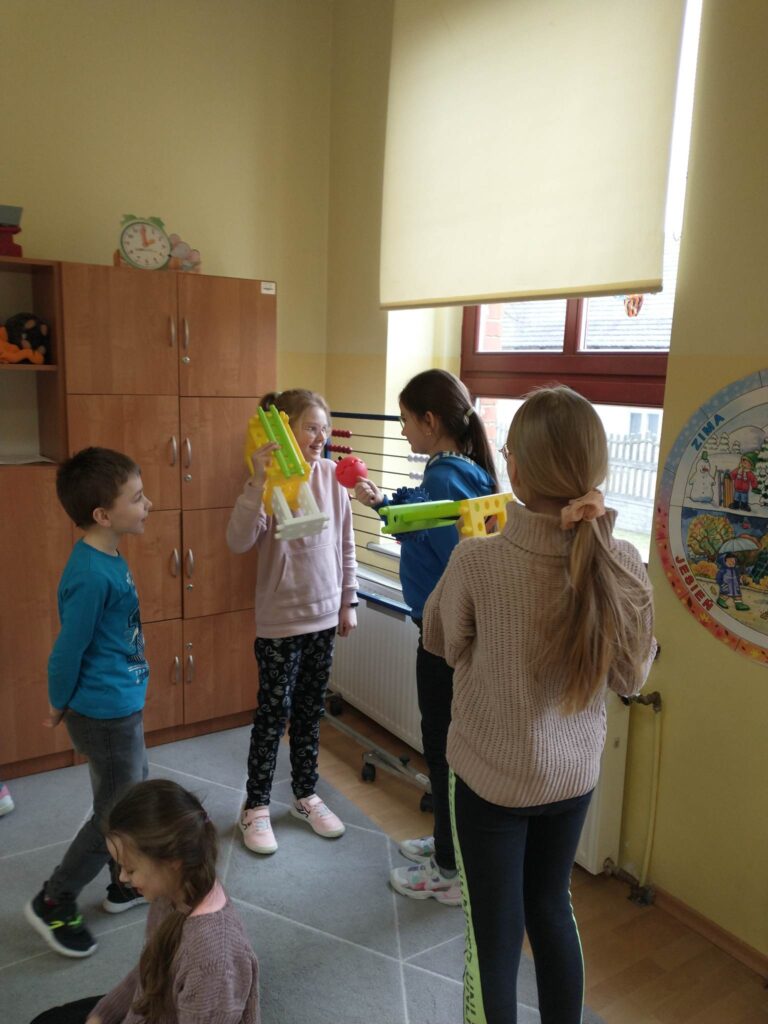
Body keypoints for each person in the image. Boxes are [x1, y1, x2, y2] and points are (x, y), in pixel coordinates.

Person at [423, 386, 656, 1024]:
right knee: (551, 909)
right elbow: (632, 676)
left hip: (491, 779)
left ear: (518, 471)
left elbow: (440, 640)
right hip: (572, 779)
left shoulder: (479, 559)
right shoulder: (621, 560)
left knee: (494, 936)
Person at [354, 369, 499, 905]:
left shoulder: (445, 479)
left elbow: (455, 557)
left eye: (406, 420)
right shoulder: (458, 470)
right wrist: (382, 503)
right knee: (444, 745)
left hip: (445, 636)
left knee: (443, 748)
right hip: (450, 633)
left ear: (430, 421)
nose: (402, 430)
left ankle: (449, 869)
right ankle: (447, 843)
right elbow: (425, 514)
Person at [25, 447, 153, 958]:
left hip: (121, 702)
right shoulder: (90, 574)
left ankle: (123, 883)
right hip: (104, 713)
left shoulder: (109, 556)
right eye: (137, 498)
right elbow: (67, 650)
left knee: (127, 797)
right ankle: (53, 900)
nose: (148, 504)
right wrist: (58, 702)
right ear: (103, 515)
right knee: (114, 817)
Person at [227, 389, 358, 854]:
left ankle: (305, 795)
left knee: (309, 713)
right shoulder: (267, 482)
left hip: (324, 618)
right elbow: (239, 541)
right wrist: (255, 484)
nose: (319, 437)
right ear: (285, 430)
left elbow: (345, 543)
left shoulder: (331, 478)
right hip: (281, 622)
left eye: (324, 428)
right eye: (310, 428)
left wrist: (348, 602)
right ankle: (256, 806)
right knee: (273, 715)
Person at [29, 779, 260, 1024]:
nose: (122, 878)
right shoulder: (172, 892)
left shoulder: (214, 961)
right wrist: (101, 1015)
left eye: (130, 869)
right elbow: (148, 973)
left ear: (172, 861)